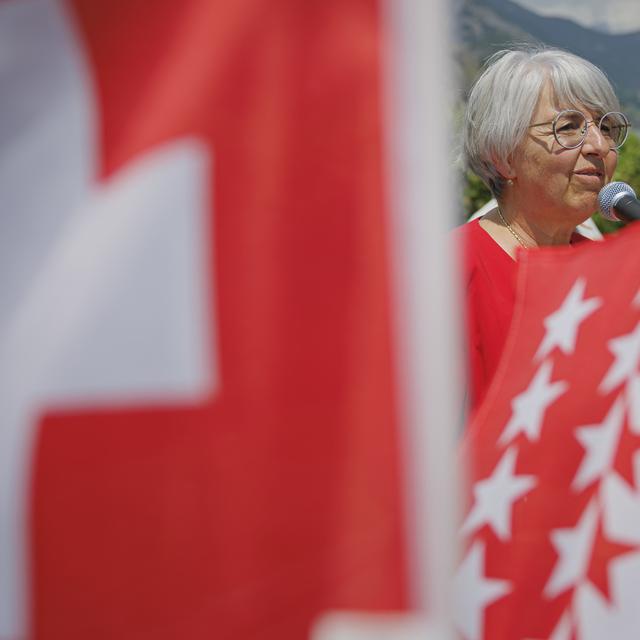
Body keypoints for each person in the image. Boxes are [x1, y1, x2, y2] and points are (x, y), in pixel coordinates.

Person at [456, 46, 630, 414]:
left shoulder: (608, 274)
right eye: (568, 127)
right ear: (503, 156)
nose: (599, 146)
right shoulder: (451, 270)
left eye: (607, 127)